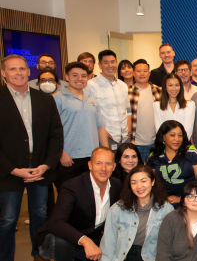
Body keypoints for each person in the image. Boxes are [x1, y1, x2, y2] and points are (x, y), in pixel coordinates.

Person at [0, 54, 64, 261]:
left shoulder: (45, 100)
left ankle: (39, 254)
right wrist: (12, 169)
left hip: (40, 168)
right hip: (9, 170)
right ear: (3, 73)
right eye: (12, 69)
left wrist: (47, 164)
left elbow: (56, 135)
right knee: (8, 220)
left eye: (22, 69)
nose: (18, 73)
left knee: (40, 215)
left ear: (29, 72)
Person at [36, 147, 122, 261]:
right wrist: (85, 241)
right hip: (65, 236)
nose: (103, 168)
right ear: (90, 165)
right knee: (61, 242)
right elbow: (56, 222)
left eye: (108, 164)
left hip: (93, 236)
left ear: (114, 167)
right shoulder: (72, 187)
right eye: (98, 163)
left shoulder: (117, 185)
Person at [53, 62, 109, 192]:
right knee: (67, 197)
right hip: (68, 159)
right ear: (67, 77)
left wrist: (106, 153)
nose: (80, 79)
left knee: (89, 195)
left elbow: (100, 128)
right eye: (75, 75)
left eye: (83, 76)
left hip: (91, 158)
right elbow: (51, 130)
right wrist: (61, 153)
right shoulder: (57, 99)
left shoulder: (92, 100)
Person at [100, 165, 174, 261]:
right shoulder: (117, 209)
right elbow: (108, 245)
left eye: (143, 181)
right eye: (134, 183)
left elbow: (170, 246)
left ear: (152, 182)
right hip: (124, 256)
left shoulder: (166, 209)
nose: (139, 186)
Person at [147, 120, 197, 206]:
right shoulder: (155, 155)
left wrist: (183, 199)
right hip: (162, 201)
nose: (177, 139)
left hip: (189, 201)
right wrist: (163, 199)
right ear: (163, 137)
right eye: (172, 135)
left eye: (180, 135)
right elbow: (152, 184)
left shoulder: (191, 151)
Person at [86, 50, 131, 150]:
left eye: (112, 62)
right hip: (106, 137)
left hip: (124, 137)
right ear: (99, 65)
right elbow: (88, 114)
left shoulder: (122, 85)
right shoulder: (91, 85)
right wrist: (102, 133)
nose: (110, 65)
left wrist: (128, 132)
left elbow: (128, 111)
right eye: (106, 62)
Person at [129, 59, 162, 162]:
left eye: (145, 71)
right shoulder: (127, 92)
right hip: (136, 143)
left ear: (149, 73)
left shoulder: (159, 91)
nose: (142, 73)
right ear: (134, 73)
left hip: (156, 143)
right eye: (139, 71)